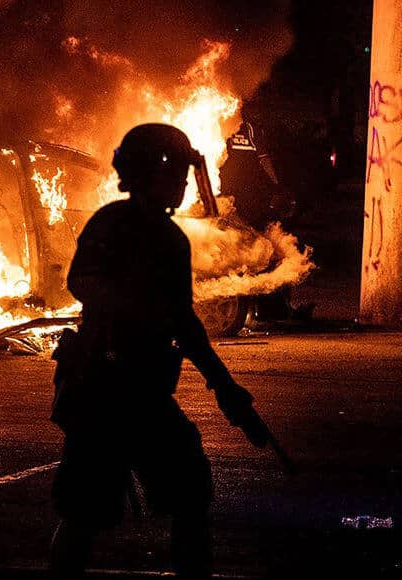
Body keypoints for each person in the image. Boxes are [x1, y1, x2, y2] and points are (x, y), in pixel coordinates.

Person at [49, 123, 265, 577]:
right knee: (84, 512)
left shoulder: (171, 239)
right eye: (177, 171)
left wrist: (225, 386)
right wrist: (136, 304)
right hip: (102, 392)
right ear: (150, 171)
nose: (184, 182)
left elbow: (183, 321)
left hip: (144, 393)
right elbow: (80, 282)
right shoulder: (111, 223)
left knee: (190, 492)